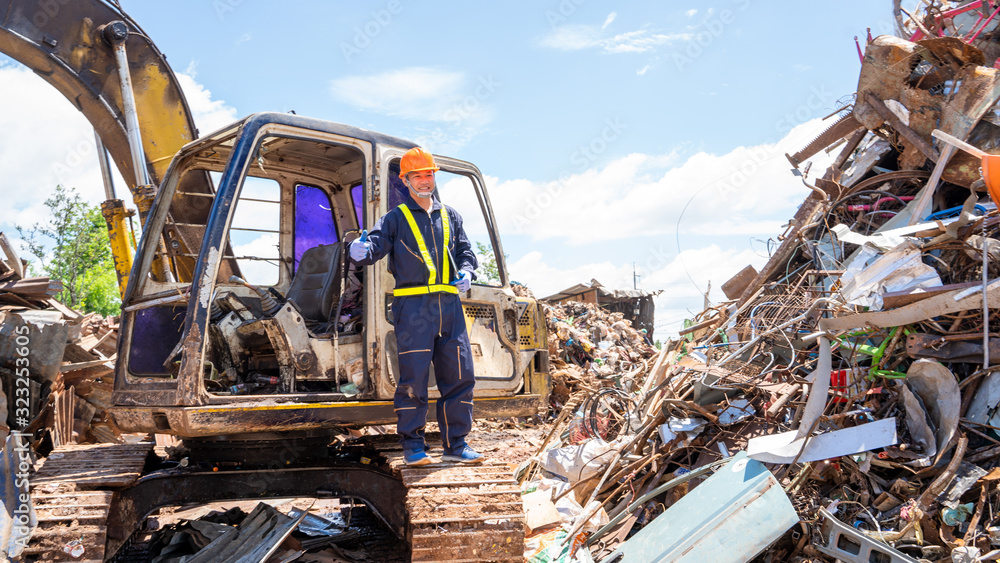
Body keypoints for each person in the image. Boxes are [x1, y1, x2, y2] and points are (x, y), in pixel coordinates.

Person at [349, 147, 482, 466]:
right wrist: (360, 251)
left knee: (460, 376)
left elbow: (466, 252)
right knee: (413, 380)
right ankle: (413, 447)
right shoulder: (394, 218)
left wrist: (467, 271)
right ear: (405, 181)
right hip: (414, 307)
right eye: (417, 176)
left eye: (428, 175)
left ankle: (456, 444)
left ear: (434, 177)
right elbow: (374, 249)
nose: (424, 181)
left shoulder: (452, 216)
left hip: (449, 307)